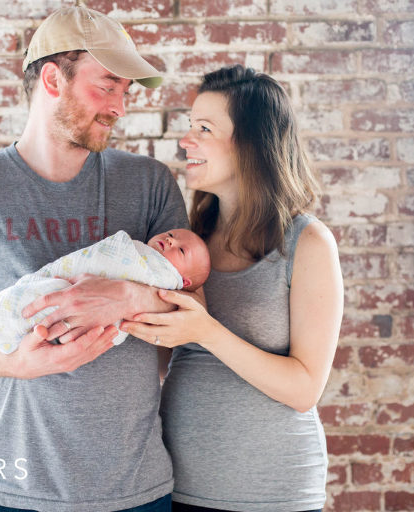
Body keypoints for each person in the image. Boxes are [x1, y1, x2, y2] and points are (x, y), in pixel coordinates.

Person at [0, 5, 191, 511]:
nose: (120, 107)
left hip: (135, 493)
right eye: (106, 86)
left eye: (126, 91)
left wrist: (124, 297)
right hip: (6, 491)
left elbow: (193, 312)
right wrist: (11, 363)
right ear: (53, 79)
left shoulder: (149, 184)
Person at [121, 65, 344, 512]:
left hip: (273, 492)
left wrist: (205, 330)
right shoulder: (189, 240)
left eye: (204, 128)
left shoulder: (308, 243)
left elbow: (304, 389)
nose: (187, 141)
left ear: (251, 145)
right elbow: (164, 357)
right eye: (190, 127)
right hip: (177, 485)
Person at [0, 228, 211, 354]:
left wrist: (130, 297)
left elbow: (193, 310)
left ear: (184, 281)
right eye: (171, 235)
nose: (171, 242)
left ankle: (7, 321)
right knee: (46, 292)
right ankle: (3, 321)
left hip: (127, 431)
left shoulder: (165, 277)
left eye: (180, 251)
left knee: (49, 302)